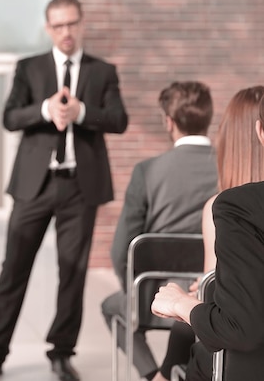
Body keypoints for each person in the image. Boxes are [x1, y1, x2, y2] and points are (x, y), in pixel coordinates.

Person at [0, 0, 128, 381]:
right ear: (48, 28)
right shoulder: (29, 68)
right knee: (13, 270)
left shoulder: (102, 71)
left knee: (72, 273)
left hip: (80, 187)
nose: (66, 32)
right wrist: (45, 110)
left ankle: (61, 353)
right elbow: (9, 117)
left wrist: (81, 112)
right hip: (34, 186)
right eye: (58, 26)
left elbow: (119, 120)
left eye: (71, 23)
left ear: (81, 22)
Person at [99, 81, 218, 380]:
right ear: (208, 118)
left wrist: (135, 293)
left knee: (113, 307)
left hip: (155, 293)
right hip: (210, 295)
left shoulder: (148, 171)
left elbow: (121, 249)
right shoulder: (228, 167)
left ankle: (153, 375)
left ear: (169, 121)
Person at [150, 85, 264, 381]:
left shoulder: (232, 208)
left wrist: (181, 302)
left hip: (240, 354)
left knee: (188, 339)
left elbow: (236, 319)